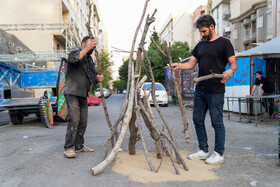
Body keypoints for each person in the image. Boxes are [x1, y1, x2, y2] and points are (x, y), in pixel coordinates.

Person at [172, 15, 237, 164]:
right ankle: (203, 150)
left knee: (217, 122)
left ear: (212, 27)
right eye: (200, 32)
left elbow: (233, 64)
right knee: (197, 120)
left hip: (216, 90)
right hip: (200, 90)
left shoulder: (225, 43)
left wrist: (230, 72)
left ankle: (219, 154)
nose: (201, 34)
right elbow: (190, 64)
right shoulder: (200, 46)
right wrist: (177, 65)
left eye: (203, 31)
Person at [63, 36, 104, 158]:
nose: (92, 47)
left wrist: (98, 78)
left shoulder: (89, 60)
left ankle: (79, 146)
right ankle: (68, 148)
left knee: (83, 121)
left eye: (93, 45)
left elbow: (92, 74)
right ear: (83, 44)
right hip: (72, 92)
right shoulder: (74, 53)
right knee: (74, 120)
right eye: (91, 44)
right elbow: (75, 60)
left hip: (83, 94)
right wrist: (87, 48)